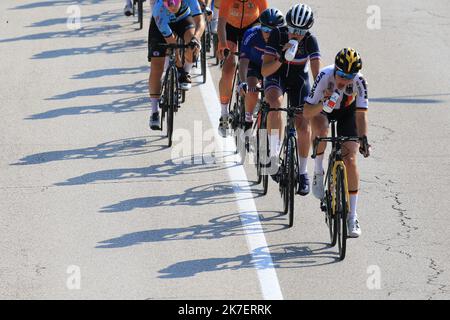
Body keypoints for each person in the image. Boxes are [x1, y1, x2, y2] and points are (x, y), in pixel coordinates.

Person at [303, 48, 371, 238]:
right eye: (341, 74)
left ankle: (352, 215)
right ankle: (318, 171)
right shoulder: (325, 75)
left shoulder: (360, 82)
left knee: (350, 159)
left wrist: (363, 138)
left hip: (347, 114)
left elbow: (361, 114)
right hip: (323, 110)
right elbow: (307, 112)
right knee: (322, 129)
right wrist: (322, 103)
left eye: (350, 76)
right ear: (335, 70)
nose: (344, 80)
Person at [261, 4, 321, 195]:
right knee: (275, 104)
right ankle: (272, 155)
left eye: (301, 31)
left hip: (299, 81)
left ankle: (303, 173)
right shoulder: (277, 34)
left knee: (303, 124)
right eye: (293, 29)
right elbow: (264, 70)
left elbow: (317, 72)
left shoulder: (310, 41)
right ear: (287, 25)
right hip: (276, 75)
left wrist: (318, 97)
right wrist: (281, 58)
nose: (296, 34)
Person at [148, 0, 204, 130]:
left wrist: (196, 38)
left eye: (173, 4)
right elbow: (172, 43)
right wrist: (178, 66)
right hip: (161, 25)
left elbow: (200, 22)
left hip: (183, 19)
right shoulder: (159, 9)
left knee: (192, 44)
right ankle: (154, 112)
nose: (171, 8)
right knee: (157, 67)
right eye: (168, 5)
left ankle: (186, 72)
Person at [216, 0, 269, 137]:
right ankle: (224, 114)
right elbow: (221, 23)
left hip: (252, 26)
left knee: (253, 62)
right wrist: (223, 45)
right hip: (230, 28)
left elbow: (267, 20)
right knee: (228, 69)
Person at [238, 8, 285, 135]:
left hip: (270, 69)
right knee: (252, 88)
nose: (268, 34)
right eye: (265, 29)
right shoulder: (251, 34)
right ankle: (248, 119)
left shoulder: (282, 38)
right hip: (254, 65)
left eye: (272, 31)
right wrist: (243, 82)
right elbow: (243, 61)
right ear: (260, 26)